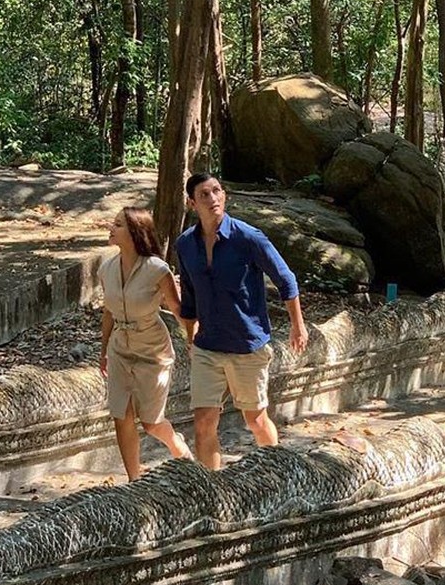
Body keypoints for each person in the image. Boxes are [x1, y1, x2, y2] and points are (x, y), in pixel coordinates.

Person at [176, 172, 309, 469]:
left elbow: (286, 279)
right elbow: (189, 295)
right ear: (192, 203)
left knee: (256, 419)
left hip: (247, 345)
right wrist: (190, 335)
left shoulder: (248, 238)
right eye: (204, 195)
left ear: (225, 195)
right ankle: (214, 488)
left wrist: (297, 326)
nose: (212, 199)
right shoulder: (185, 244)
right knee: (203, 422)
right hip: (207, 346)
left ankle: (279, 473)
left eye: (216, 191)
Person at [99, 206, 194, 481]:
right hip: (120, 347)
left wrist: (192, 339)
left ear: (134, 232)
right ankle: (134, 480)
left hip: (152, 348)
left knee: (151, 423)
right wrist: (103, 350)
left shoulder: (157, 269)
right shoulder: (106, 269)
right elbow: (108, 312)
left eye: (118, 225)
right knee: (121, 414)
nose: (111, 228)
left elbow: (178, 309)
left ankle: (178, 446)